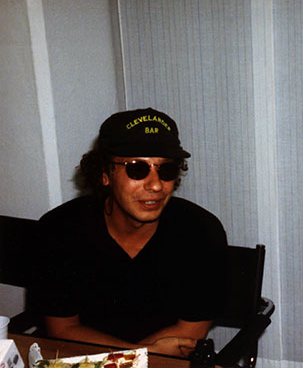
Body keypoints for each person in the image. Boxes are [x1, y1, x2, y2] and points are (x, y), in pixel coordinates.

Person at [32, 107, 228, 357]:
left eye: (166, 170)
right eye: (137, 169)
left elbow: (188, 336)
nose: (155, 185)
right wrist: (136, 354)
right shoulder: (60, 229)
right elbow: (62, 329)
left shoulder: (200, 232)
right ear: (105, 174)